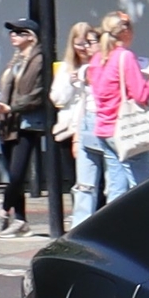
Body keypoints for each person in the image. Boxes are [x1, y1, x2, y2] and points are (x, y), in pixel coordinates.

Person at [80, 9, 149, 216]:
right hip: (127, 129)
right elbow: (141, 95)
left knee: (116, 186)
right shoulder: (125, 57)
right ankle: (146, 228)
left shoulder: (97, 59)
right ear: (126, 32)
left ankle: (113, 227)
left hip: (104, 129)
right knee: (143, 185)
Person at [0, 19, 50, 235]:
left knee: (18, 173)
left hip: (26, 123)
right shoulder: (16, 61)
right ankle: (20, 219)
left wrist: (9, 107)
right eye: (12, 32)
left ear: (32, 36)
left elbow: (37, 94)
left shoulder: (39, 60)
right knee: (13, 175)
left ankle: (3, 205)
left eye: (19, 32)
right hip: (7, 122)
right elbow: (10, 91)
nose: (13, 35)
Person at [46, 20, 96, 216]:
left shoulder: (99, 65)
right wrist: (71, 81)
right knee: (75, 178)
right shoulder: (66, 68)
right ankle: (80, 214)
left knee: (95, 178)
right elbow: (57, 98)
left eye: (87, 43)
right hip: (68, 130)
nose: (83, 48)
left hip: (92, 126)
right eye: (78, 43)